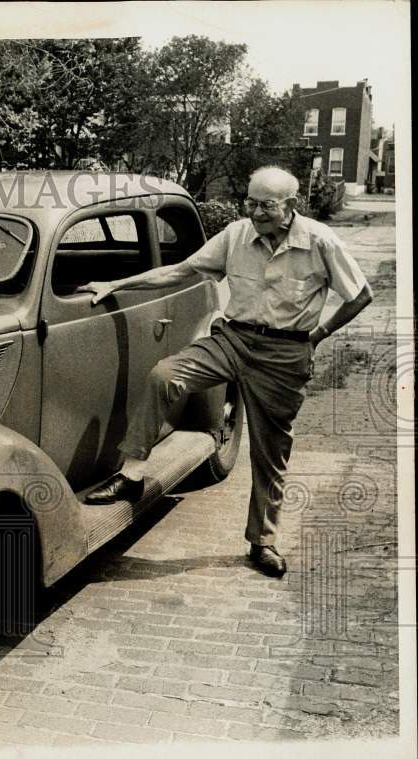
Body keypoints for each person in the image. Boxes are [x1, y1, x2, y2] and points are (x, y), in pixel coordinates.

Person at [80, 166, 373, 577]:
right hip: (232, 341)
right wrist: (117, 284)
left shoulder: (320, 241)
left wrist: (318, 335)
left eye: (265, 205)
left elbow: (361, 294)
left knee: (270, 454)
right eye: (250, 202)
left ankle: (262, 542)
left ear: (291, 205)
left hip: (284, 355)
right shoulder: (236, 234)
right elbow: (180, 270)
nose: (255, 212)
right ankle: (132, 475)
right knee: (166, 376)